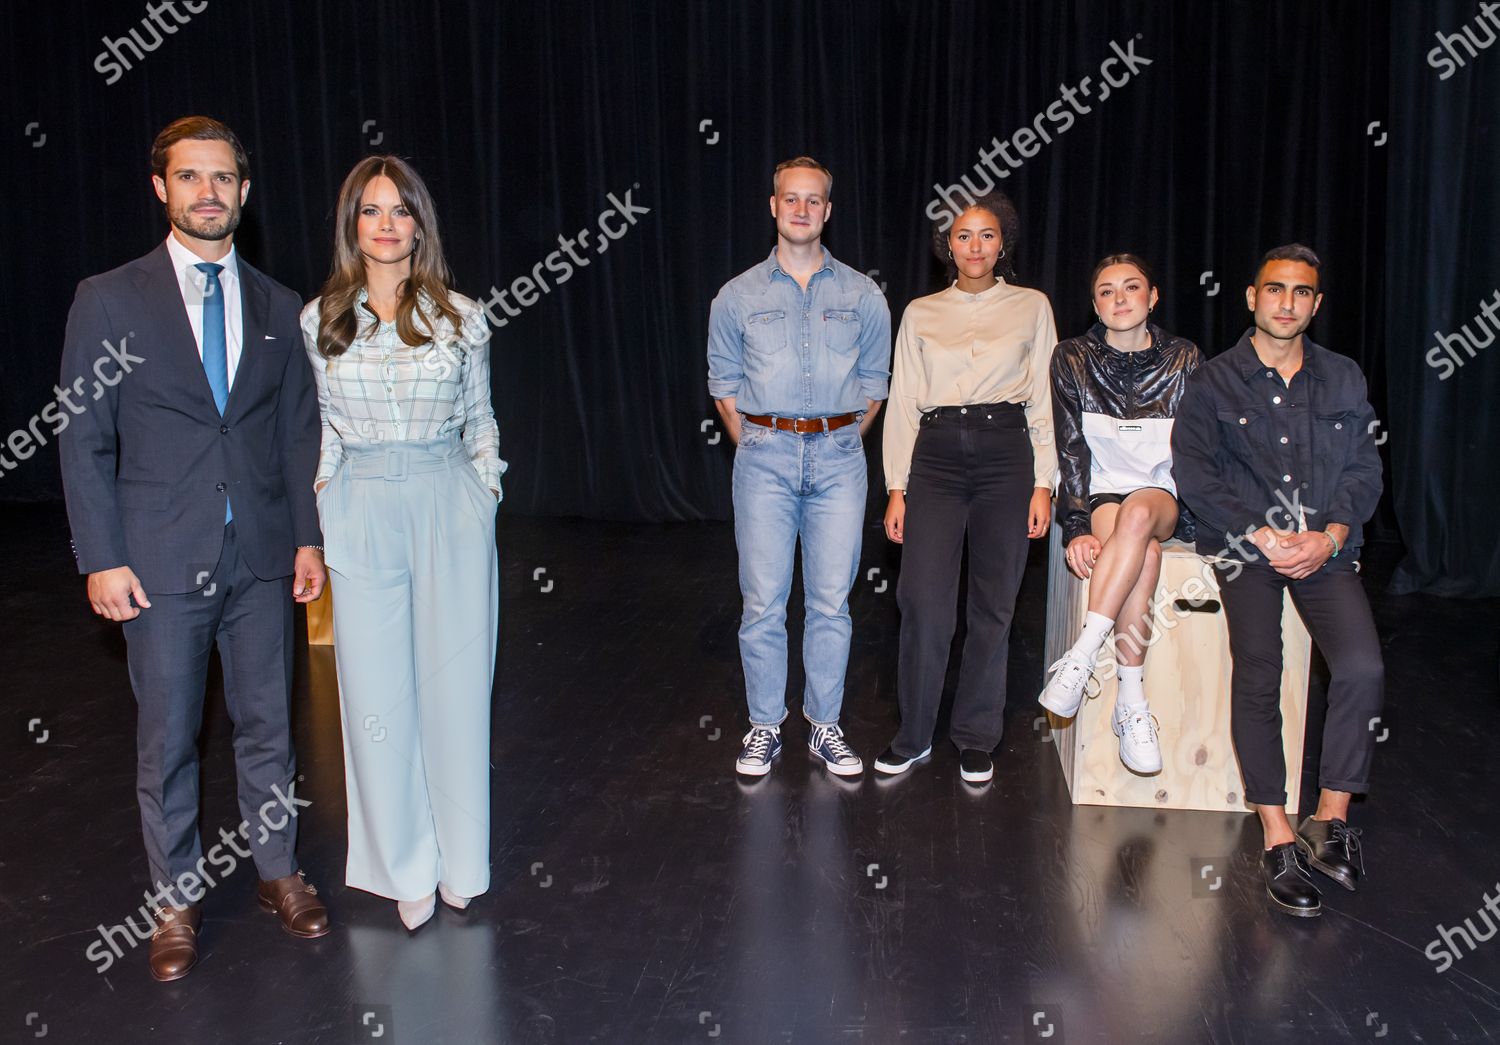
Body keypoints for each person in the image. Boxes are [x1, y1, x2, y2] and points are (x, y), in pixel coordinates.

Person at [59, 116, 329, 981]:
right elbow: (82, 438)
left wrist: (306, 542)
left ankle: (278, 872)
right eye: (190, 178)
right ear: (161, 188)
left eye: (223, 179)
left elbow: (295, 438)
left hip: (259, 559)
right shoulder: (108, 298)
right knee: (168, 739)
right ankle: (173, 900)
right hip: (157, 565)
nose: (207, 192)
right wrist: (100, 556)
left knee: (268, 731)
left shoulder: (281, 306)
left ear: (244, 194)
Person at [302, 155, 503, 931]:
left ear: (420, 223)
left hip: (447, 498)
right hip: (360, 508)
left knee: (454, 691)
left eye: (400, 210)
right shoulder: (318, 319)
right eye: (370, 210)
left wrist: (485, 493)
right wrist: (325, 506)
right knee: (377, 698)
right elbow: (321, 428)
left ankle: (461, 858)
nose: (386, 224)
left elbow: (482, 418)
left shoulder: (464, 314)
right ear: (353, 226)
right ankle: (404, 866)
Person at [1172, 244, 1383, 918]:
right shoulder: (1214, 381)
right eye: (1275, 289)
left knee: (1362, 667)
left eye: (1301, 292)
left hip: (1323, 548)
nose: (1287, 301)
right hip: (1246, 548)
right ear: (1251, 297)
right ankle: (1278, 833)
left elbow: (1364, 471)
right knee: (1260, 668)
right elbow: (1196, 473)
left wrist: (1333, 535)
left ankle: (1330, 817)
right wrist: (1259, 533)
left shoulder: (1344, 378)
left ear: (1316, 304)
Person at [706, 156, 891, 778]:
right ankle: (765, 726)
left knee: (832, 602)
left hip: (841, 460)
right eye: (792, 198)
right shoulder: (736, 296)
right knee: (762, 601)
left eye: (814, 200)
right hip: (764, 458)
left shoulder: (863, 295)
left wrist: (833, 439)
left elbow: (874, 386)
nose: (802, 209)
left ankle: (824, 726)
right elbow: (724, 387)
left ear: (828, 210)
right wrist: (763, 442)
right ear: (774, 205)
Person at [874, 193, 1057, 784]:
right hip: (936, 457)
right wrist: (896, 487)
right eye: (962, 236)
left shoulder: (1032, 306)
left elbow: (1045, 400)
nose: (974, 246)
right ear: (945, 245)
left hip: (1008, 454)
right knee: (923, 602)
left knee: (994, 604)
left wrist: (1043, 482)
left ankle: (977, 735)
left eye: (986, 235)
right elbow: (902, 400)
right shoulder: (921, 312)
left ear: (1003, 243)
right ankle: (914, 735)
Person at [1039, 254, 1203, 775]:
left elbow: (1199, 448)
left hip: (1161, 496)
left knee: (1141, 520)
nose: (1120, 299)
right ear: (1095, 304)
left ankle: (1082, 654)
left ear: (1153, 297)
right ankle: (1131, 702)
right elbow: (1070, 449)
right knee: (1143, 554)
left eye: (1132, 288)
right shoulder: (1071, 357)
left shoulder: (1184, 358)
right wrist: (1077, 525)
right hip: (1103, 495)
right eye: (1107, 292)